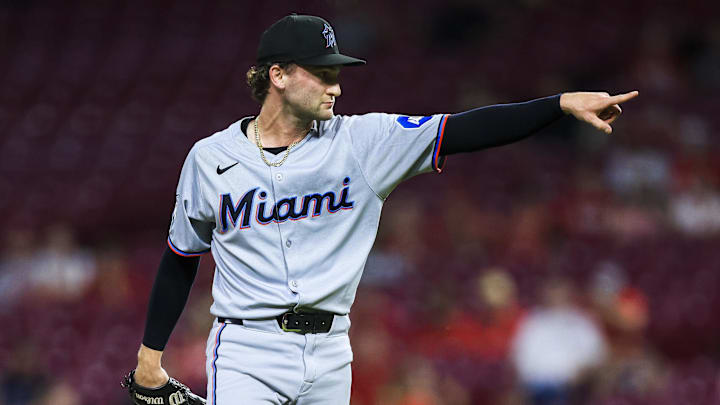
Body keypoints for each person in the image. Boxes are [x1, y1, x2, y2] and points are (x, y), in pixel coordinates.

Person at [130, 13, 639, 405]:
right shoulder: (211, 158)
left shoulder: (363, 141)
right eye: (323, 73)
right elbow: (181, 257)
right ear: (278, 75)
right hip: (247, 348)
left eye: (338, 73)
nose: (337, 85)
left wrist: (556, 105)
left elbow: (463, 130)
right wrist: (150, 356)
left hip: (331, 352)